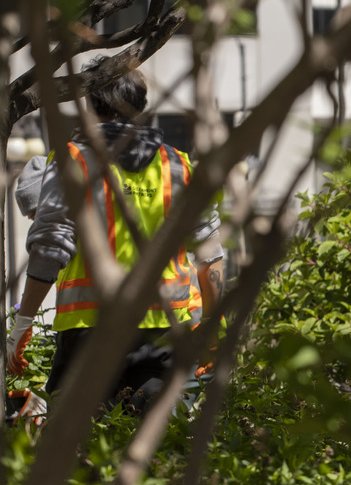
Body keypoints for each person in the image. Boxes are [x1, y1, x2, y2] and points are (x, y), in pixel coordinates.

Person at [4, 65, 224, 410]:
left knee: (78, 447)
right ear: (142, 106)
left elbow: (51, 247)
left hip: (88, 334)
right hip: (163, 334)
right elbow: (210, 255)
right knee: (154, 441)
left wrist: (22, 325)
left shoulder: (72, 162)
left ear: (90, 105)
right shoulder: (179, 167)